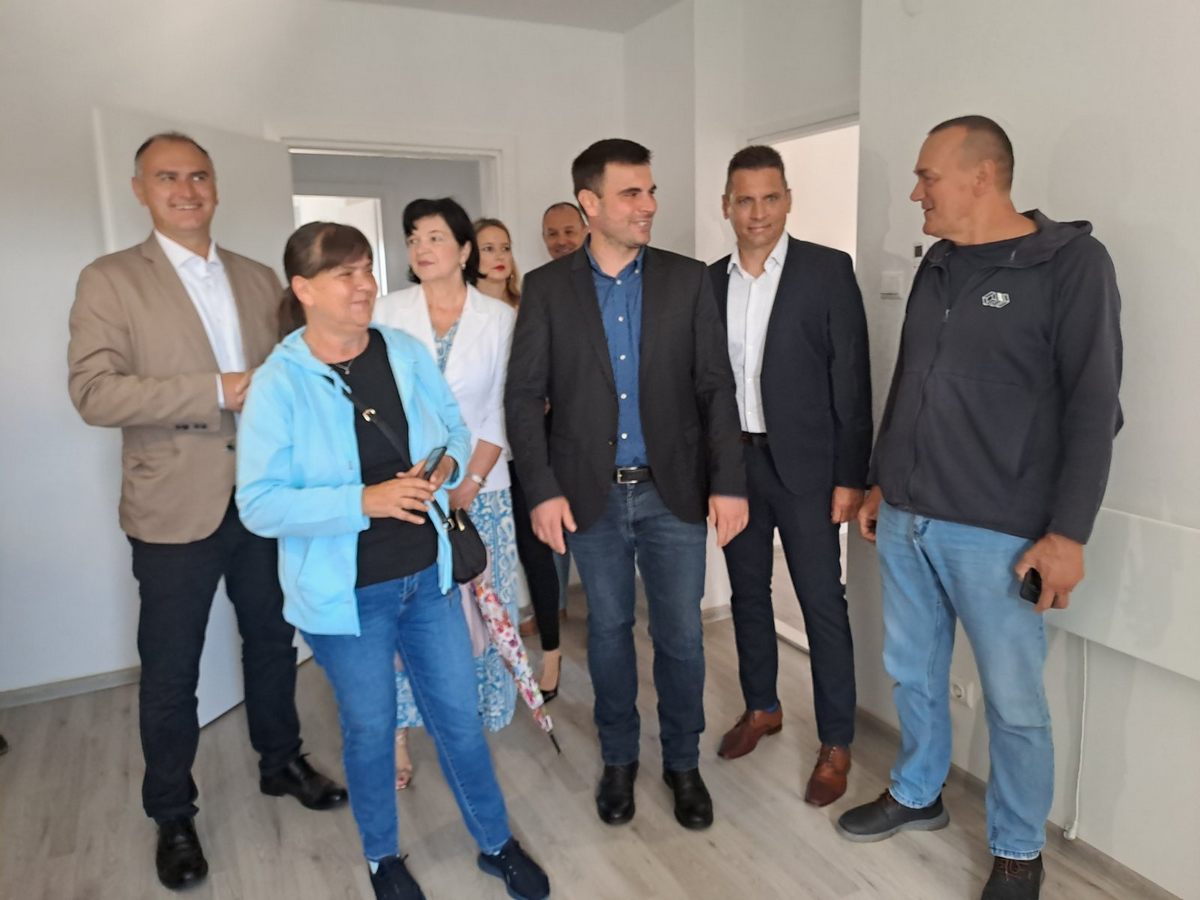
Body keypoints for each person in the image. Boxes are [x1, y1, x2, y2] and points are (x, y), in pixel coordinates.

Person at [836, 116, 1123, 900]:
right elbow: (911, 379)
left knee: (1015, 704)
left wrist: (1069, 534)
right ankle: (917, 791)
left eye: (927, 176)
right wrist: (881, 480)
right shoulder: (938, 264)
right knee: (913, 673)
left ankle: (1019, 848)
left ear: (982, 176)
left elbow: (1094, 407)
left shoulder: (1072, 265)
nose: (916, 192)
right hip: (907, 516)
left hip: (999, 531)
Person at [236, 222, 550, 900]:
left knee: (458, 720)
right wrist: (364, 500)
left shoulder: (402, 352)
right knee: (372, 729)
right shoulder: (279, 383)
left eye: (367, 269)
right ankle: (383, 858)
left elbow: (456, 433)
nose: (364, 285)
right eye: (344, 274)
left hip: (427, 580)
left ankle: (495, 843)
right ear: (303, 289)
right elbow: (259, 504)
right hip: (346, 595)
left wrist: (442, 470)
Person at [67, 133, 345, 892]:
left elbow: (297, 372)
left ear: (215, 187)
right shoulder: (110, 280)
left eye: (198, 176)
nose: (186, 190)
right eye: (168, 177)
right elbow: (93, 392)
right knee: (171, 669)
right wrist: (215, 390)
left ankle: (280, 761)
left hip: (260, 499)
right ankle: (172, 812)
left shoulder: (259, 278)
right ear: (141, 189)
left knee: (272, 642)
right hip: (171, 507)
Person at [506, 139, 748, 831]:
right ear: (590, 203)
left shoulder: (687, 279)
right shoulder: (548, 288)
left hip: (674, 493)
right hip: (591, 496)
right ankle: (618, 759)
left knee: (681, 637)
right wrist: (542, 490)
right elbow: (523, 396)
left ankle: (682, 763)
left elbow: (715, 387)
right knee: (608, 633)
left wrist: (729, 482)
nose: (649, 205)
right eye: (631, 193)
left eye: (651, 191)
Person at [710, 145, 872, 807]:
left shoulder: (827, 271)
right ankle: (763, 707)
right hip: (736, 466)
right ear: (726, 206)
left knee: (822, 603)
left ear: (788, 201)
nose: (758, 212)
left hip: (808, 468)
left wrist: (851, 476)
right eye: (745, 200)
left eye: (770, 198)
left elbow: (851, 380)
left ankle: (836, 741)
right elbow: (704, 386)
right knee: (748, 593)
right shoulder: (708, 283)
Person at [374, 200, 521, 785]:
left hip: (481, 489)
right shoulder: (386, 312)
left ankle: (478, 720)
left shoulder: (499, 318)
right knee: (404, 615)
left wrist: (471, 481)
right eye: (413, 238)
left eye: (435, 237)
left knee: (481, 611)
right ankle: (398, 733)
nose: (421, 248)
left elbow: (505, 406)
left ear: (464, 250)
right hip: (405, 492)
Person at [474, 217, 565, 698]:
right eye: (488, 247)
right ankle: (490, 658)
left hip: (526, 450)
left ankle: (552, 654)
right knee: (482, 561)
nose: (499, 256)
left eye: (504, 247)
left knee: (536, 554)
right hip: (478, 458)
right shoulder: (462, 315)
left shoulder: (527, 307)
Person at [474, 217, 522, 307]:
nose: (500, 256)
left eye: (505, 248)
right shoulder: (459, 307)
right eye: (489, 249)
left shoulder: (527, 305)